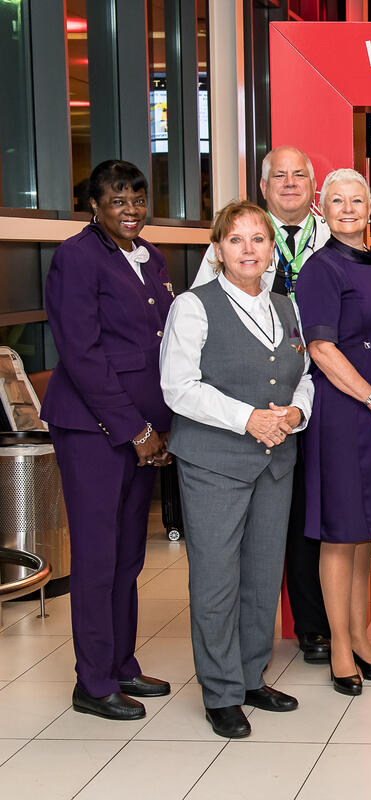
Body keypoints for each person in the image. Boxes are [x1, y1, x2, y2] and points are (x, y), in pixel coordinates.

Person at [162, 200, 312, 738]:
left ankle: (251, 676)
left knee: (262, 575)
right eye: (236, 239)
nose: (249, 248)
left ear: (273, 248)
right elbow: (178, 388)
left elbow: (302, 376)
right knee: (217, 579)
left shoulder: (285, 306)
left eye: (259, 238)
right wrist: (247, 419)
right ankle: (220, 691)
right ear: (218, 249)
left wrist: (297, 413)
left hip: (275, 461)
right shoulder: (193, 306)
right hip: (215, 462)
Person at [42, 160, 174, 721]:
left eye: (138, 198)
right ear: (93, 204)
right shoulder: (77, 256)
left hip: (142, 430)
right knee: (97, 558)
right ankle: (92, 683)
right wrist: (135, 428)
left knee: (128, 556)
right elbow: (83, 353)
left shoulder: (153, 259)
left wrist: (162, 423)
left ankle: (121, 663)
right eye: (118, 199)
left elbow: (163, 344)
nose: (131, 209)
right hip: (94, 430)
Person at [192, 145, 332, 665]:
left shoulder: (322, 244)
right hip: (231, 432)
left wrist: (293, 412)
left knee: (280, 543)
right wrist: (251, 417)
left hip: (294, 414)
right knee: (222, 566)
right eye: (280, 176)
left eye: (300, 174)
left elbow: (304, 364)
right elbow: (188, 374)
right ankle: (225, 677)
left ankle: (280, 648)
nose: (290, 183)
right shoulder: (209, 283)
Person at [294, 169, 371, 697]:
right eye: (337, 201)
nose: (348, 208)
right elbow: (321, 349)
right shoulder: (321, 268)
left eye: (357, 199)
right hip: (344, 412)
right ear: (323, 208)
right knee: (339, 534)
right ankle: (339, 647)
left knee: (362, 536)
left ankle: (360, 637)